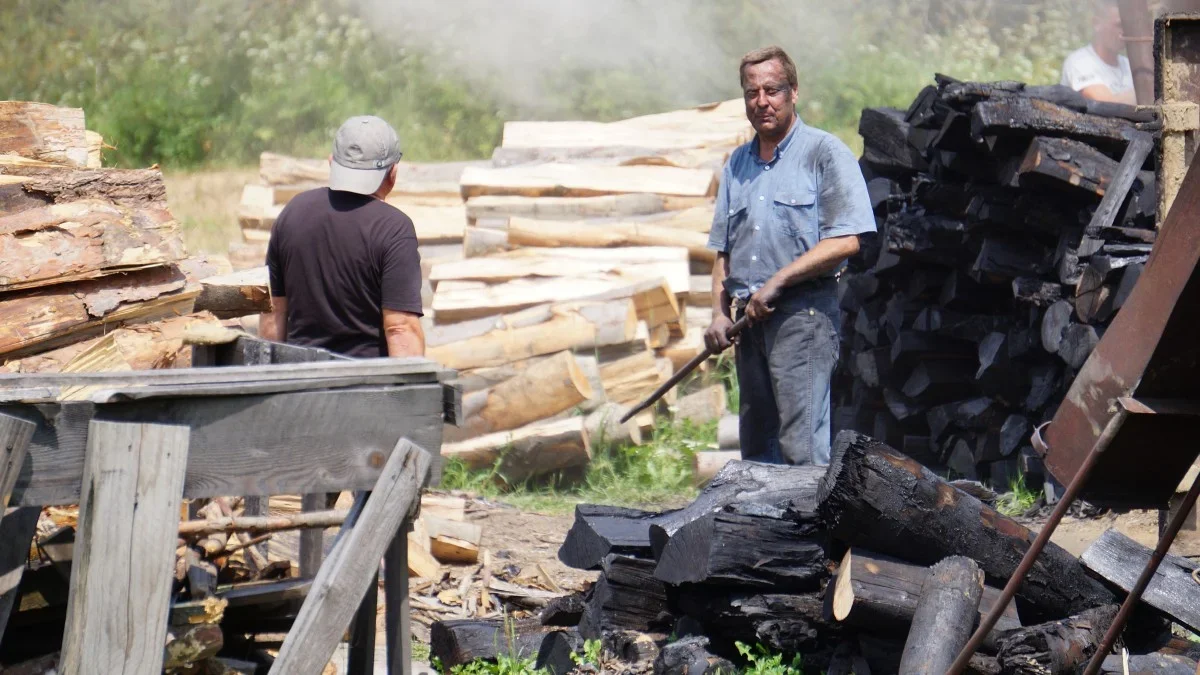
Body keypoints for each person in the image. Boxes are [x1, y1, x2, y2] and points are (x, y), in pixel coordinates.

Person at [703, 46, 875, 467]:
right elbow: (722, 253)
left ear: (794, 92)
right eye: (751, 92)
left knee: (801, 451)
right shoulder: (737, 165)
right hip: (749, 326)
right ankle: (763, 534)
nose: (761, 101)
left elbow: (847, 240)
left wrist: (778, 282)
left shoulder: (823, 153)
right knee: (758, 452)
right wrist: (718, 315)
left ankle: (810, 535)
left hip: (804, 318)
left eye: (772, 90)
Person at [262, 115, 425, 358]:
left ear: (331, 163)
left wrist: (271, 381)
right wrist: (412, 394)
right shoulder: (394, 228)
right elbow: (400, 328)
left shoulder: (293, 212)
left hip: (298, 383)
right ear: (393, 172)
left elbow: (274, 312)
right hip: (364, 389)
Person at [1061, 0, 1136, 104]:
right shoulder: (1079, 62)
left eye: (1127, 26)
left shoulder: (1129, 65)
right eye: (1119, 25)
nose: (1124, 32)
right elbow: (1106, 105)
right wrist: (1146, 92)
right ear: (1097, 24)